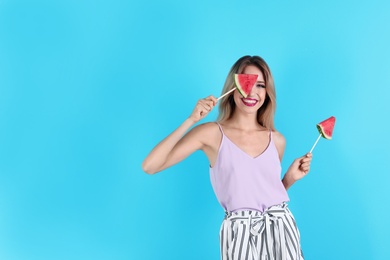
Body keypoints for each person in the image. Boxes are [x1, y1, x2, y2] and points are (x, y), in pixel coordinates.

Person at [142, 55, 312, 260]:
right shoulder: (211, 134)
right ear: (233, 88)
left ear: (267, 93)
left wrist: (289, 179)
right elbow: (150, 166)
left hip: (281, 228)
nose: (252, 92)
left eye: (260, 85)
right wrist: (191, 120)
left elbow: (262, 194)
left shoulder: (277, 140)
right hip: (239, 233)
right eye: (246, 83)